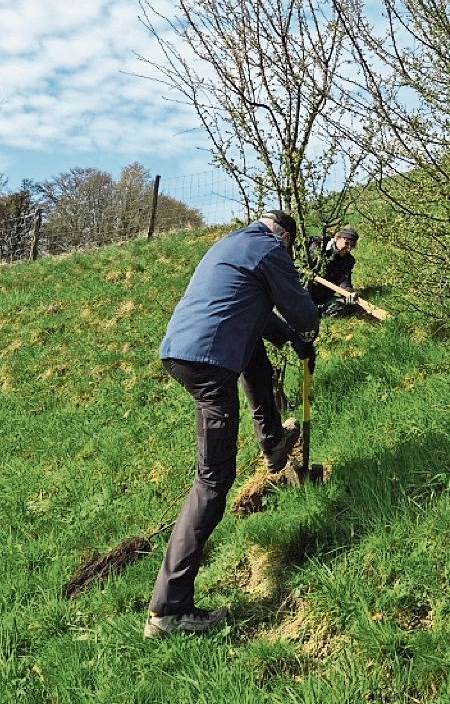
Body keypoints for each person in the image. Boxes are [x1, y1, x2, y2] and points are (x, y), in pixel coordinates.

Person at [144, 209, 320, 639]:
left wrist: (287, 338)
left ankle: (274, 443)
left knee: (253, 353)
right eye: (290, 247)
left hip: (182, 350)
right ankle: (169, 610)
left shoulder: (232, 245)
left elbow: (253, 314)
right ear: (285, 237)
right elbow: (303, 311)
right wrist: (306, 332)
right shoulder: (269, 249)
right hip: (208, 362)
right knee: (213, 482)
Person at [307, 225, 360, 316]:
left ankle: (317, 311)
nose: (348, 249)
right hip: (304, 292)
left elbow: (344, 280)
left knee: (349, 305)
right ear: (337, 238)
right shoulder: (318, 249)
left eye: (352, 246)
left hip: (324, 297)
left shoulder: (348, 260)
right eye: (346, 243)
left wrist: (348, 293)